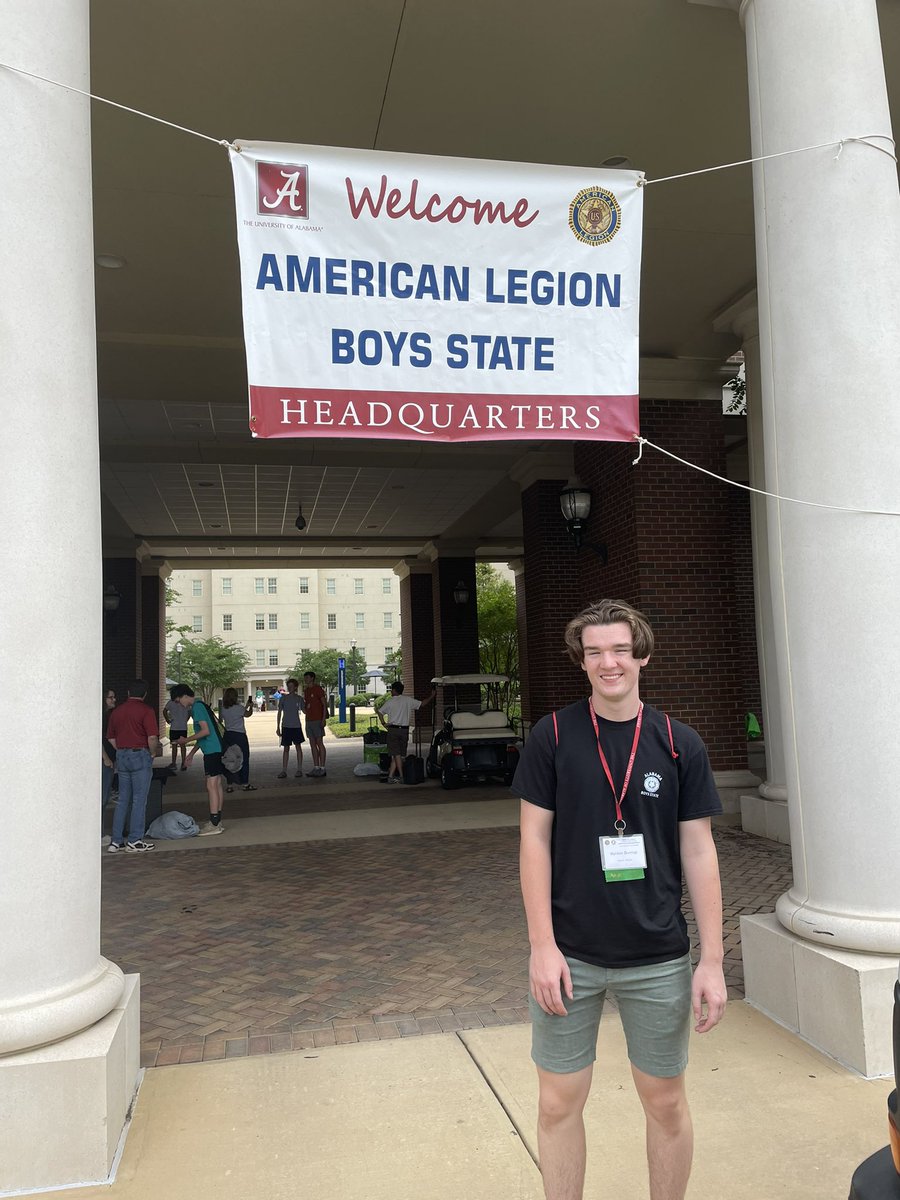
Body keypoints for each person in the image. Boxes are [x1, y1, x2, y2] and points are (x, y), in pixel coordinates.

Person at [514, 599, 726, 1200]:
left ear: (643, 657)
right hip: (570, 955)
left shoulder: (679, 743)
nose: (609, 663)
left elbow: (700, 852)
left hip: (657, 954)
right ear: (581, 662)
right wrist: (541, 947)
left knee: (665, 1103)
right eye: (595, 652)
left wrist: (710, 961)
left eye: (620, 650)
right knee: (557, 1103)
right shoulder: (552, 736)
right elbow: (533, 840)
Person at [104, 679, 164, 853]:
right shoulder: (146, 710)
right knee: (139, 800)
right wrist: (152, 753)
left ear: (129, 693)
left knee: (123, 799)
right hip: (140, 754)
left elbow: (110, 737)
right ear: (145, 694)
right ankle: (135, 840)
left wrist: (122, 750)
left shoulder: (117, 711)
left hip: (122, 755)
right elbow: (152, 737)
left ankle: (116, 841)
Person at [170, 684, 226, 835]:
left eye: (177, 700)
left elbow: (205, 731)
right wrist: (191, 753)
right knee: (217, 784)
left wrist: (185, 740)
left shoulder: (197, 708)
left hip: (212, 751)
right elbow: (206, 734)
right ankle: (217, 821)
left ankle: (214, 824)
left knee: (211, 785)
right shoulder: (200, 706)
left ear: (184, 696)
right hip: (215, 749)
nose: (178, 704)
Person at [377, 680, 436, 783]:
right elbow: (422, 704)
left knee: (396, 754)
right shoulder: (408, 700)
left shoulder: (390, 701)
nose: (391, 691)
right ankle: (390, 777)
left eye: (391, 689)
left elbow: (380, 712)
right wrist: (432, 696)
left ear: (394, 690)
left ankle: (401, 776)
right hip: (405, 731)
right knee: (398, 754)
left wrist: (383, 723)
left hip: (393, 730)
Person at [220, 688, 256, 793]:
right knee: (244, 759)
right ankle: (245, 783)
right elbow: (247, 714)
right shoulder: (239, 708)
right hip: (240, 736)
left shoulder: (223, 709)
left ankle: (230, 785)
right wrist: (250, 707)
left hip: (228, 736)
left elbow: (224, 719)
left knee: (229, 759)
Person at [276, 678, 305, 778]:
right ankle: (284, 770)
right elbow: (279, 712)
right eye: (289, 686)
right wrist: (278, 727)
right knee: (286, 748)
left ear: (296, 687)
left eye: (292, 686)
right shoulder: (283, 698)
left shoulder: (299, 698)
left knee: (298, 747)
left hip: (296, 725)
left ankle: (299, 769)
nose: (290, 688)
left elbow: (305, 711)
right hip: (286, 726)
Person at [303, 671, 328, 777]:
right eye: (305, 678)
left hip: (317, 719)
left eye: (307, 677)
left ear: (312, 678)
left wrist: (323, 718)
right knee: (312, 743)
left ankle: (322, 767)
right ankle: (316, 767)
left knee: (319, 742)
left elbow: (324, 703)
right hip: (309, 720)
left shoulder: (318, 689)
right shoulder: (306, 690)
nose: (306, 679)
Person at [101, 686, 117, 847]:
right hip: (105, 761)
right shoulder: (101, 718)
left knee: (105, 798)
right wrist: (106, 758)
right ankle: (99, 833)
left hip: (110, 760)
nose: (113, 700)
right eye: (110, 697)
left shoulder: (107, 716)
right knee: (103, 798)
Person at [164, 687, 189, 770]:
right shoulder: (185, 702)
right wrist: (186, 720)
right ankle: (183, 763)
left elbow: (164, 710)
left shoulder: (170, 702)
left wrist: (167, 719)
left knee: (174, 746)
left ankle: (174, 763)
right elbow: (189, 712)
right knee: (183, 746)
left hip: (174, 727)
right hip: (183, 727)